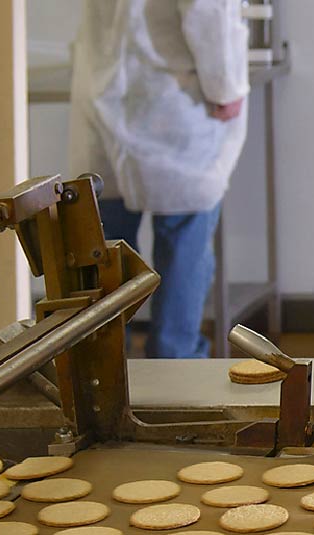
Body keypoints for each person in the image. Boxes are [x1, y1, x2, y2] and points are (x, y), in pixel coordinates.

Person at [69, 0, 250, 359]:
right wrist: (226, 87)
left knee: (107, 250)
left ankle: (106, 372)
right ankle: (174, 369)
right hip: (174, 103)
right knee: (183, 244)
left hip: (106, 94)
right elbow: (208, 12)